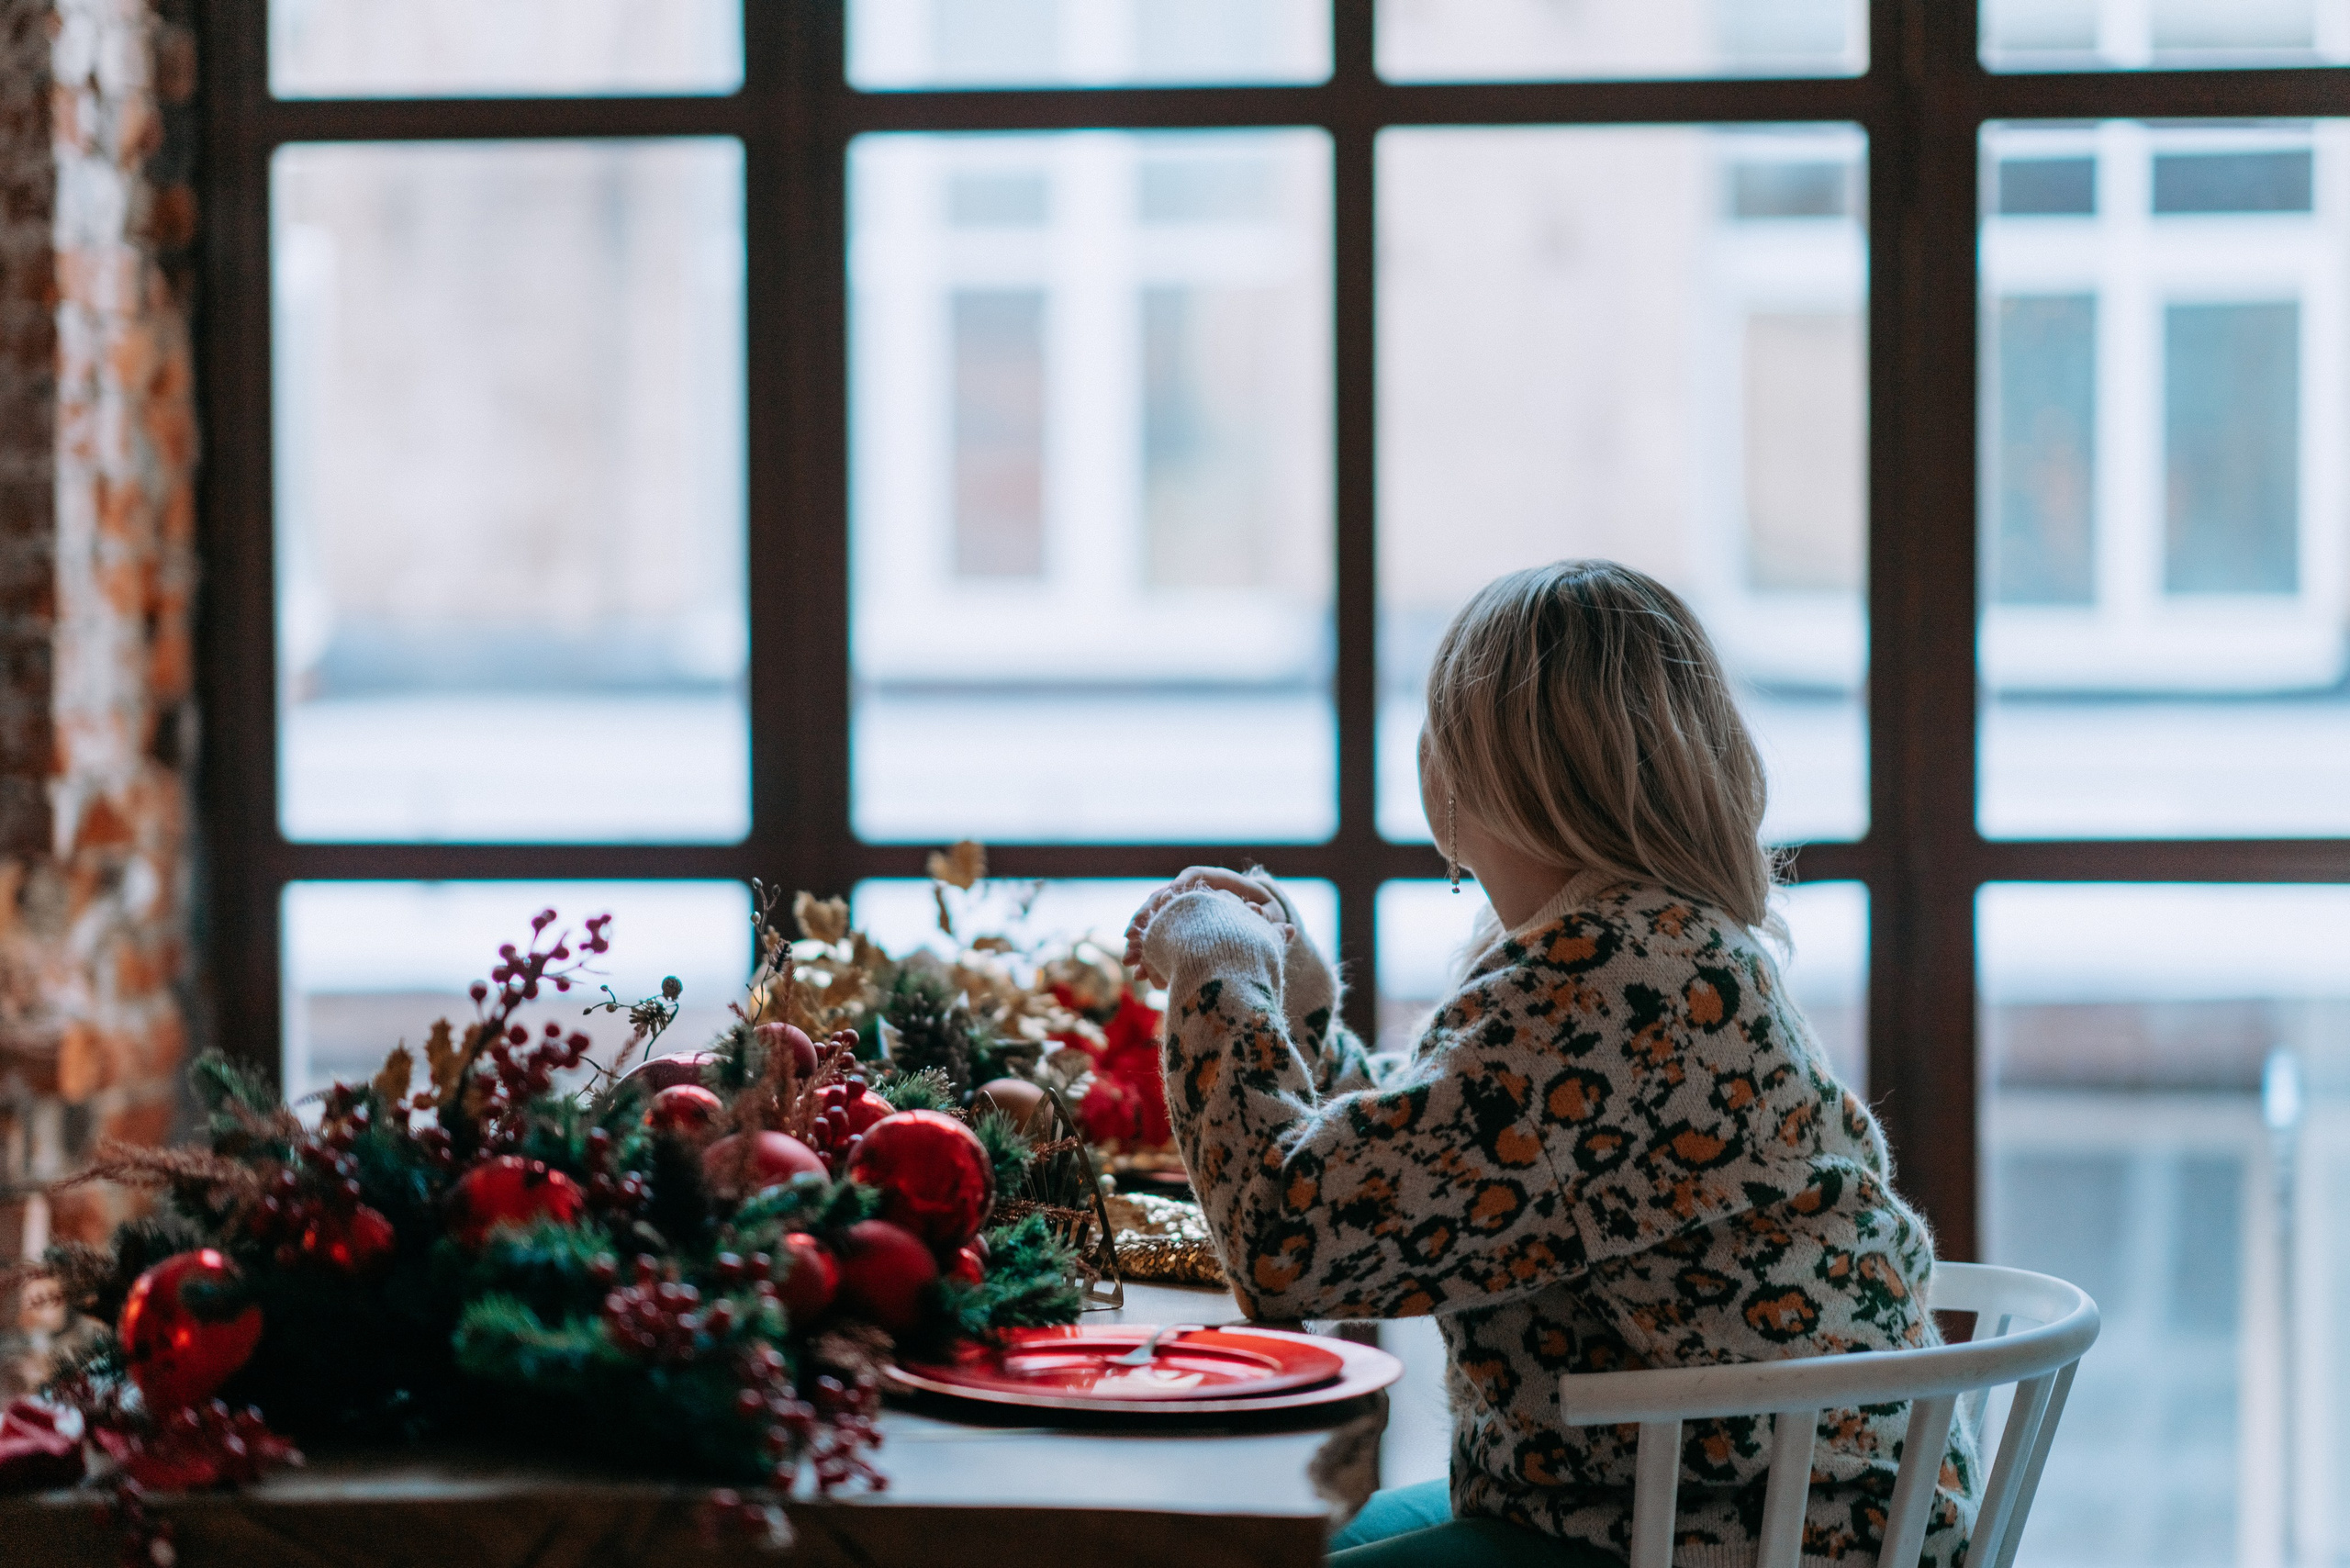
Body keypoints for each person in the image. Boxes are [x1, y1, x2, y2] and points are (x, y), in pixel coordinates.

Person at [1125, 561, 1973, 1568]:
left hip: (1723, 1532)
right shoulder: (1660, 948)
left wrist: (1220, 967)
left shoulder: (1598, 984)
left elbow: (1286, 1238)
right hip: (1748, 1503)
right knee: (1259, 1541)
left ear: (1468, 772)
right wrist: (1300, 1002)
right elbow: (1427, 1174)